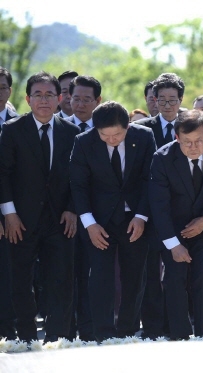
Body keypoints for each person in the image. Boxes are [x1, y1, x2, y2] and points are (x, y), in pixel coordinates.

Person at [0, 71, 80, 344]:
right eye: (38, 94)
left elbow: (78, 177)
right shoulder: (12, 130)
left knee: (61, 280)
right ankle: (26, 338)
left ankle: (57, 337)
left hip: (61, 220)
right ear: (27, 99)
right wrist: (9, 213)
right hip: (21, 220)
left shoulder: (72, 132)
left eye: (49, 95)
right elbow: (3, 174)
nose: (43, 100)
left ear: (59, 98)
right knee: (21, 281)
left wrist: (72, 208)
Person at [69, 101, 156, 342]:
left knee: (135, 276)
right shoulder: (84, 142)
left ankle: (127, 331)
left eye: (117, 134)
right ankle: (103, 334)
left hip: (135, 217)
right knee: (99, 277)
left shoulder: (145, 136)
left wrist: (141, 216)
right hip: (98, 220)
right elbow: (78, 185)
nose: (111, 140)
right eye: (104, 135)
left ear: (128, 126)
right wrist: (89, 223)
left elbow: (151, 179)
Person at [149, 109, 203, 339]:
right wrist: (174, 245)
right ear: (177, 138)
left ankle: (202, 332)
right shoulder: (162, 158)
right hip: (173, 229)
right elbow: (159, 205)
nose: (194, 147)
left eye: (199, 141)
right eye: (187, 142)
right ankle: (180, 334)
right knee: (175, 278)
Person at [135, 73, 185, 339]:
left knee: (176, 274)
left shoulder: (190, 125)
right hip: (148, 212)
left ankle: (176, 326)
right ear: (153, 100)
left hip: (181, 211)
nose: (166, 105)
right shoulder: (142, 129)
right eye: (161, 99)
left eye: (172, 100)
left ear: (180, 100)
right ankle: (152, 327)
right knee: (149, 273)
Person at [66, 75, 103, 341]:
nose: (79, 104)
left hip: (98, 217)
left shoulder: (107, 130)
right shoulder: (58, 127)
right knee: (65, 274)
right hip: (62, 216)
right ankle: (65, 330)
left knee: (94, 275)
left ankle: (90, 330)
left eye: (86, 99)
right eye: (75, 98)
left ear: (97, 101)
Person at [0, 66, 17, 341]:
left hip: (13, 213)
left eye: (2, 86)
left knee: (8, 273)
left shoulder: (19, 122)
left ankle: (6, 329)